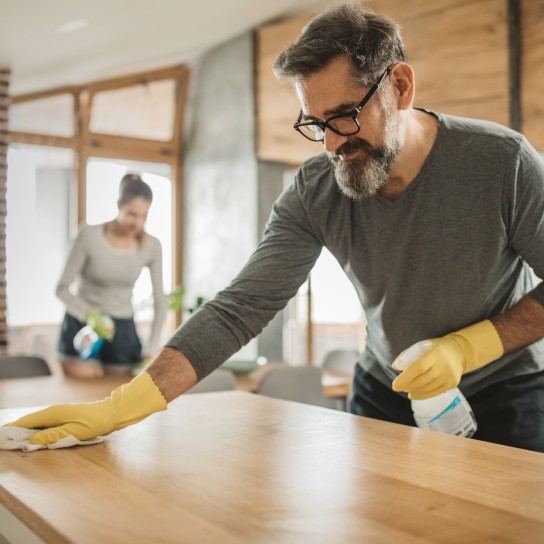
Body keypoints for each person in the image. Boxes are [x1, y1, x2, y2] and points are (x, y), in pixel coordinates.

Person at [6, 4, 544, 452]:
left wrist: (472, 346)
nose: (331, 144)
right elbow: (241, 308)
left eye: (344, 116)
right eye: (315, 124)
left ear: (399, 86)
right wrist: (122, 406)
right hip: (384, 388)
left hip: (505, 390)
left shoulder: (502, 163)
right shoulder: (316, 189)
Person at [55, 172, 167, 378]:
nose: (137, 223)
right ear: (119, 206)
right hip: (82, 324)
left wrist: (151, 348)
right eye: (132, 214)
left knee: (116, 395)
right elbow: (61, 288)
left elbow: (160, 302)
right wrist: (89, 313)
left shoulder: (152, 246)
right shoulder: (88, 235)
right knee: (83, 393)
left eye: (144, 216)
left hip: (122, 330)